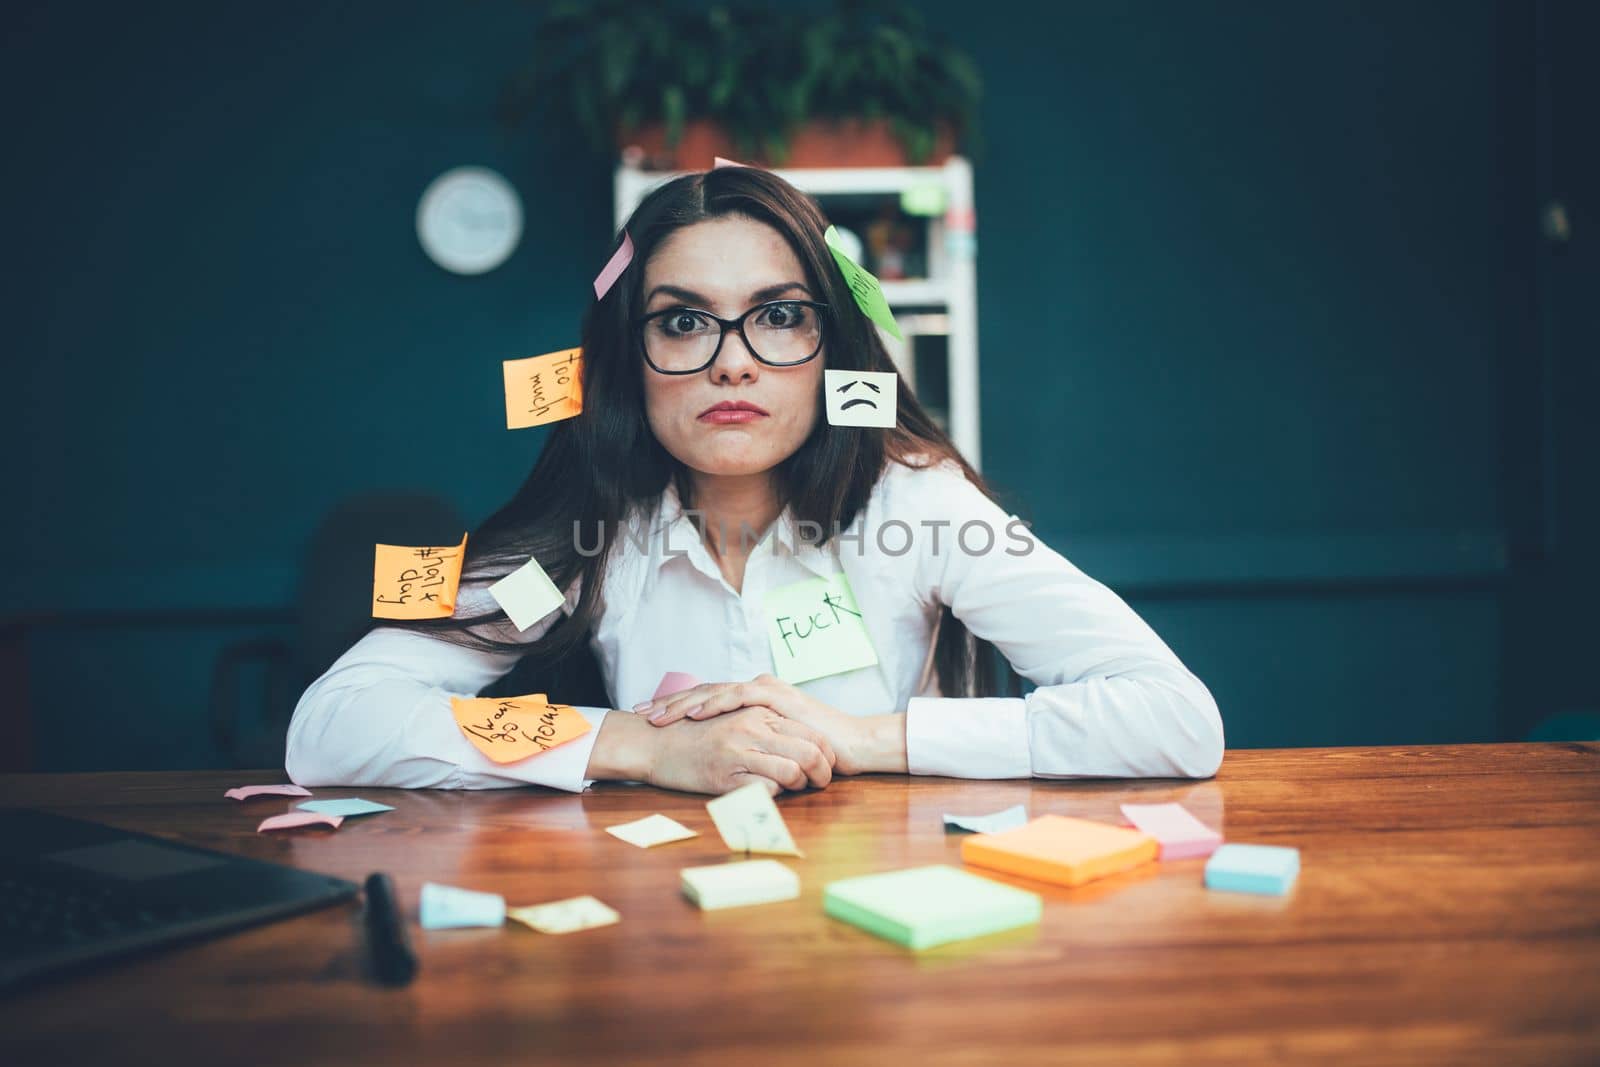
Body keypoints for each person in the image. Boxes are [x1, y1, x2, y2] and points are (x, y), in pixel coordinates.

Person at [285, 166, 1223, 798]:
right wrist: (637, 745)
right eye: (684, 322)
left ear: (831, 349)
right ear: (628, 360)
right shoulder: (582, 543)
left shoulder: (918, 504)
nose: (733, 363)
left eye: (777, 315)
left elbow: (1175, 718)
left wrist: (862, 739)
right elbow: (332, 727)